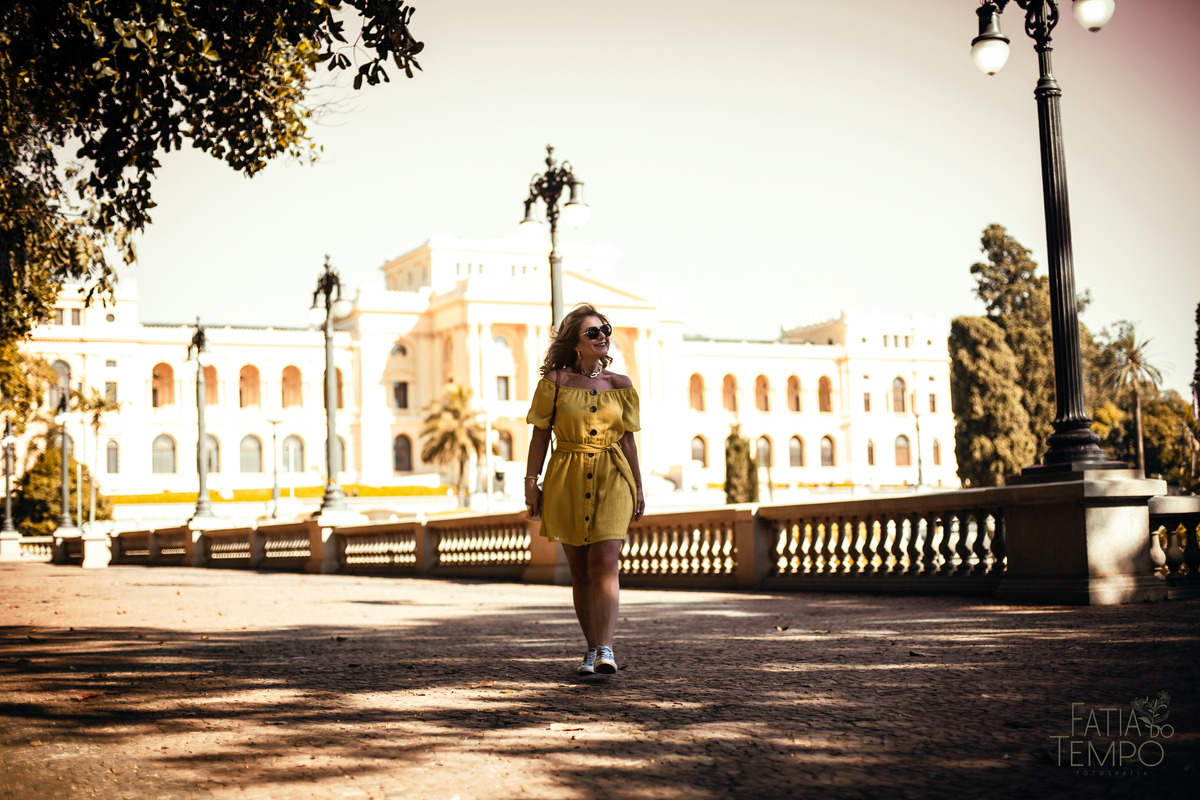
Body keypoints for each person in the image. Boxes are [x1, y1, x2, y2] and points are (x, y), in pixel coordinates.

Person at [525, 303, 645, 675]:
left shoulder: (621, 386)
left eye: (605, 329)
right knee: (580, 572)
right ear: (575, 343)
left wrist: (638, 487)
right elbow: (539, 435)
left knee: (606, 562)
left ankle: (606, 648)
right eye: (593, 332)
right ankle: (591, 648)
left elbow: (627, 441)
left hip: (613, 476)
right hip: (567, 478)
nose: (602, 336)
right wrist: (532, 483)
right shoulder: (555, 383)